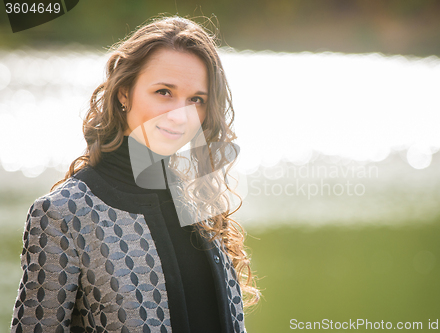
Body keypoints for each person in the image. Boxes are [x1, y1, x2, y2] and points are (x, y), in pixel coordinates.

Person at [10, 15, 259, 333]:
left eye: (196, 100)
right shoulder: (65, 212)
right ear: (124, 92)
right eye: (164, 92)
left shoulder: (198, 200)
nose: (180, 115)